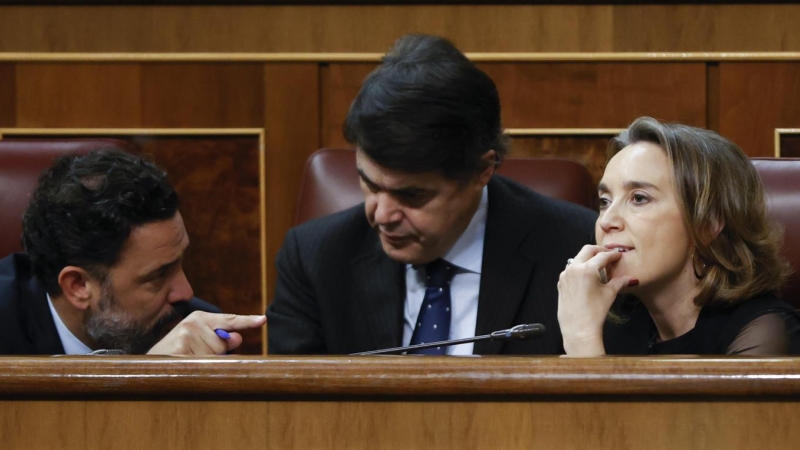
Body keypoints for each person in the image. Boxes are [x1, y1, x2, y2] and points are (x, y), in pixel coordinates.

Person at [267, 34, 597, 355]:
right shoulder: (314, 260)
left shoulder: (575, 250)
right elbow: (290, 407)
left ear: (482, 171)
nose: (381, 215)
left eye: (411, 195)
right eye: (369, 183)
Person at [557, 116, 800, 356]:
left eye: (639, 198)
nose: (606, 221)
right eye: (604, 201)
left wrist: (583, 341)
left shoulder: (766, 331)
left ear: (708, 224)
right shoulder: (603, 316)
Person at [0, 149, 266, 355]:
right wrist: (146, 381)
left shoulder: (192, 334)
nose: (186, 292)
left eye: (180, 263)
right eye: (159, 275)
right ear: (79, 285)